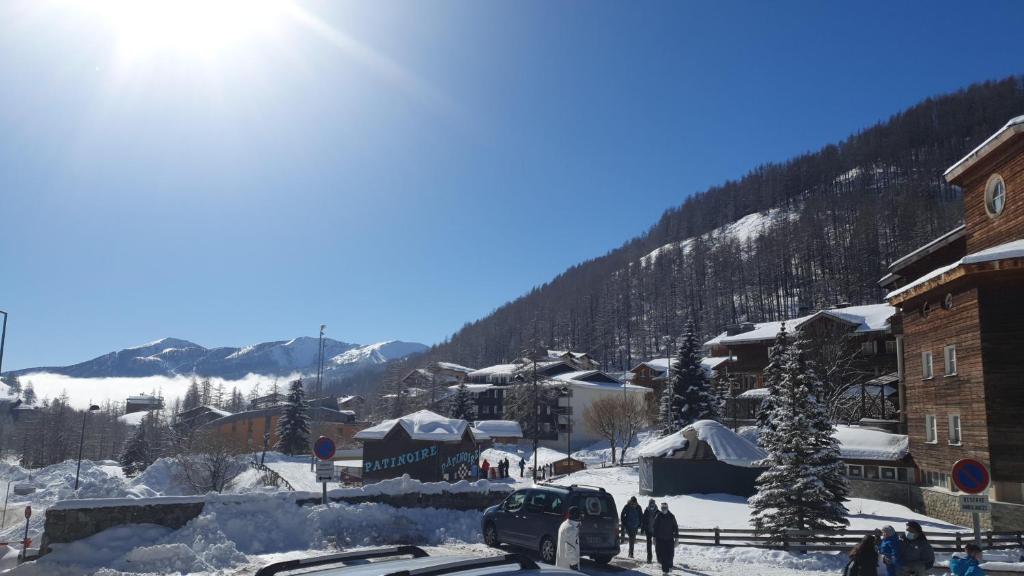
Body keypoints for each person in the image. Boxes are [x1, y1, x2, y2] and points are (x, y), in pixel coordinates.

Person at [652, 502, 678, 575]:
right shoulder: (658, 516)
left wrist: (677, 539)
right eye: (662, 508)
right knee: (661, 556)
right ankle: (665, 570)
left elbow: (675, 528)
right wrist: (654, 537)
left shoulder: (671, 516)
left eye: (665, 508)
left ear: (667, 508)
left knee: (669, 555)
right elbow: (655, 527)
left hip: (669, 540)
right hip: (660, 540)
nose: (663, 509)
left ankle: (667, 569)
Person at [642, 499, 658, 564]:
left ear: (654, 504)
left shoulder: (658, 512)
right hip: (648, 530)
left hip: (655, 531)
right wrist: (643, 528)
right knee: (649, 545)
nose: (652, 505)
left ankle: (659, 558)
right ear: (649, 504)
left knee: (657, 545)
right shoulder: (646, 511)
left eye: (653, 503)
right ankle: (649, 558)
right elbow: (644, 520)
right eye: (651, 503)